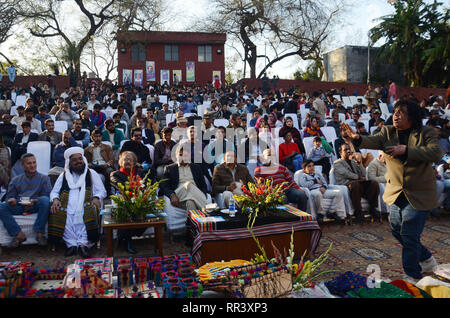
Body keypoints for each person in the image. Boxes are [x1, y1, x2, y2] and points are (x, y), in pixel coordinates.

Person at [341, 100, 442, 282]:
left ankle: (411, 275)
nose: (396, 115)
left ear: (412, 116)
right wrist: (356, 138)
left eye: (401, 112)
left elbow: (436, 153)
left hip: (419, 193)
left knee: (409, 234)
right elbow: (372, 140)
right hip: (396, 191)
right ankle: (426, 258)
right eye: (395, 111)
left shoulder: (425, 132)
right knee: (397, 230)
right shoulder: (388, 132)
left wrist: (406, 150)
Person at [49, 147, 106, 258]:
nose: (78, 162)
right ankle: (71, 244)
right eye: (74, 160)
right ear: (69, 163)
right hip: (67, 204)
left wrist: (96, 197)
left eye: (80, 159)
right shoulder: (64, 175)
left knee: (89, 210)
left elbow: (102, 191)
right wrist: (55, 199)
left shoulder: (91, 173)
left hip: (88, 202)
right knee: (59, 211)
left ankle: (84, 245)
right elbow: (54, 192)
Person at [0, 153, 51, 248]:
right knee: (1, 206)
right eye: (29, 163)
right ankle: (18, 234)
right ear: (22, 165)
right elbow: (9, 198)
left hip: (35, 205)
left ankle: (39, 233)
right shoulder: (15, 180)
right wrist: (12, 200)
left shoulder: (44, 178)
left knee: (45, 200)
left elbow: (46, 195)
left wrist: (35, 200)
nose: (32, 165)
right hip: (19, 206)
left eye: (34, 162)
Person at [110, 151, 147, 254]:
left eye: (129, 160)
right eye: (125, 159)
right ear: (120, 162)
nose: (127, 161)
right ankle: (128, 240)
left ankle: (122, 237)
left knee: (144, 208)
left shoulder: (140, 172)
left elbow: (146, 183)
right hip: (124, 200)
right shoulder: (115, 174)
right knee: (125, 208)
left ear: (134, 163)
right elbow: (118, 184)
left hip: (138, 200)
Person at [333, 143, 380, 222]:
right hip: (346, 184)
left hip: (358, 183)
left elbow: (364, 174)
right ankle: (358, 212)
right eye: (345, 150)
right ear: (340, 153)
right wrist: (358, 177)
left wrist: (359, 163)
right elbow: (346, 173)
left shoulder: (353, 162)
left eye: (349, 149)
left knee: (374, 183)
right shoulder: (337, 163)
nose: (348, 151)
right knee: (355, 185)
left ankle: (373, 208)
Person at [160, 146, 208, 212]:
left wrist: (203, 194)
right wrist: (172, 195)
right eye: (180, 155)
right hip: (178, 194)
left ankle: (194, 221)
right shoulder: (170, 168)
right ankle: (207, 210)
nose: (183, 157)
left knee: (190, 202)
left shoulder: (196, 168)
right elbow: (164, 186)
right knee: (189, 185)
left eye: (185, 155)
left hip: (193, 194)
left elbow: (203, 185)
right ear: (176, 156)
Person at [85, 129, 114, 196]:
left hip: (104, 166)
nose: (98, 138)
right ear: (92, 138)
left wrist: (107, 164)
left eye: (99, 136)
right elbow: (86, 162)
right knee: (87, 172)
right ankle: (90, 193)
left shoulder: (107, 147)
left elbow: (112, 160)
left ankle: (108, 192)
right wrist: (90, 165)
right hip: (93, 167)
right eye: (95, 136)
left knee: (109, 171)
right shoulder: (87, 149)